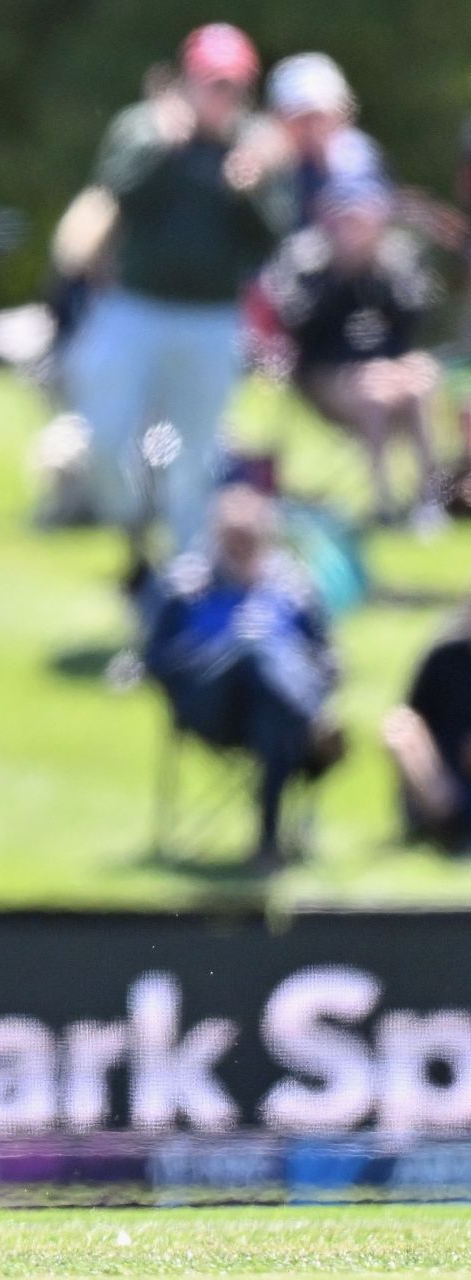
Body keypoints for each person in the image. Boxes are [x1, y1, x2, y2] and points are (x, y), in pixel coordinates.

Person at [65, 23, 297, 560]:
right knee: (100, 435)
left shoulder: (256, 148)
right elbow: (115, 193)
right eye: (213, 83)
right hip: (133, 309)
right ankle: (130, 521)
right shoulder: (145, 130)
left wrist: (253, 191)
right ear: (188, 81)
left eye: (233, 87)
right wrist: (163, 152)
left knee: (195, 453)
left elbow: (274, 237)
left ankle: (183, 576)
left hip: (212, 320)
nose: (223, 97)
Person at [138, 485, 344, 870]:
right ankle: (315, 728)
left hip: (272, 719)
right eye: (234, 543)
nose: (243, 552)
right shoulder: (187, 590)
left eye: (252, 543)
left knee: (272, 709)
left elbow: (329, 662)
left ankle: (266, 845)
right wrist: (231, 649)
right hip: (212, 705)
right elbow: (158, 661)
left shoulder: (294, 593)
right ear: (217, 539)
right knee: (253, 651)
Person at [262, 178, 442, 526]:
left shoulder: (393, 258)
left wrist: (379, 269)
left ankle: (428, 502)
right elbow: (297, 322)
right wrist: (339, 274)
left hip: (387, 368)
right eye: (345, 219)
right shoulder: (305, 259)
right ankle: (382, 500)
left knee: (420, 379)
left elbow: (413, 321)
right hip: (327, 374)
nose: (353, 229)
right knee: (372, 391)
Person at [383, 599, 471, 851]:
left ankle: (452, 829)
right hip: (440, 771)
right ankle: (442, 821)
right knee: (399, 728)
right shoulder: (443, 658)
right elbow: (410, 714)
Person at [267, 53, 385, 229]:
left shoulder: (356, 160)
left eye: (319, 117)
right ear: (278, 119)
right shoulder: (270, 167)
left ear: (343, 116)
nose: (312, 129)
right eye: (301, 119)